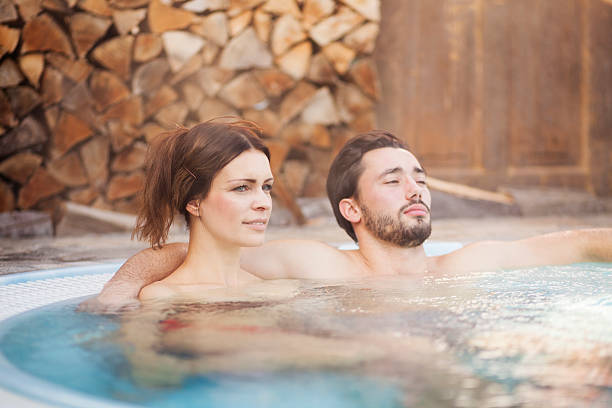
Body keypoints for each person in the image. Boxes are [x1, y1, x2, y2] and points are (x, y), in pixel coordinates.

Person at [90, 130, 612, 306]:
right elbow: (195, 256)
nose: (415, 189)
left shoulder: (471, 263)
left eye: (419, 176)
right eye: (392, 180)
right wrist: (115, 297)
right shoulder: (323, 268)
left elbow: (587, 245)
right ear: (350, 209)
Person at [130, 119, 275, 299]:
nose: (264, 203)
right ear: (194, 203)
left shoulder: (270, 290)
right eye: (242, 188)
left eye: (267, 187)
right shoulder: (164, 298)